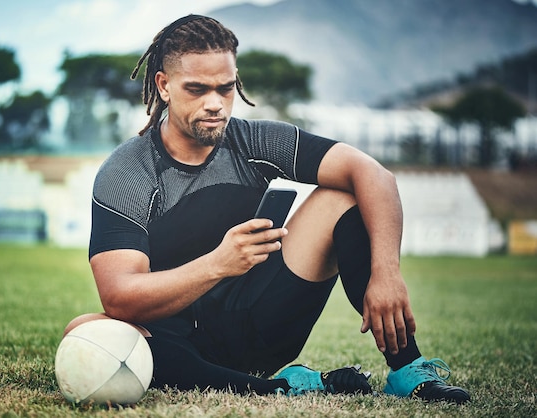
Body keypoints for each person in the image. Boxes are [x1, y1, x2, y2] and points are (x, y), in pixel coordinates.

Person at [64, 14, 470, 403]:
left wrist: (386, 273)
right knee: (83, 329)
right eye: (197, 89)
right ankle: (278, 388)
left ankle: (408, 370)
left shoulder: (253, 142)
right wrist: (219, 263)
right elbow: (119, 297)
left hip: (258, 322)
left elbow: (374, 175)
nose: (216, 104)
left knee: (343, 195)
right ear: (164, 85)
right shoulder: (126, 171)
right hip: (171, 342)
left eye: (225, 88)